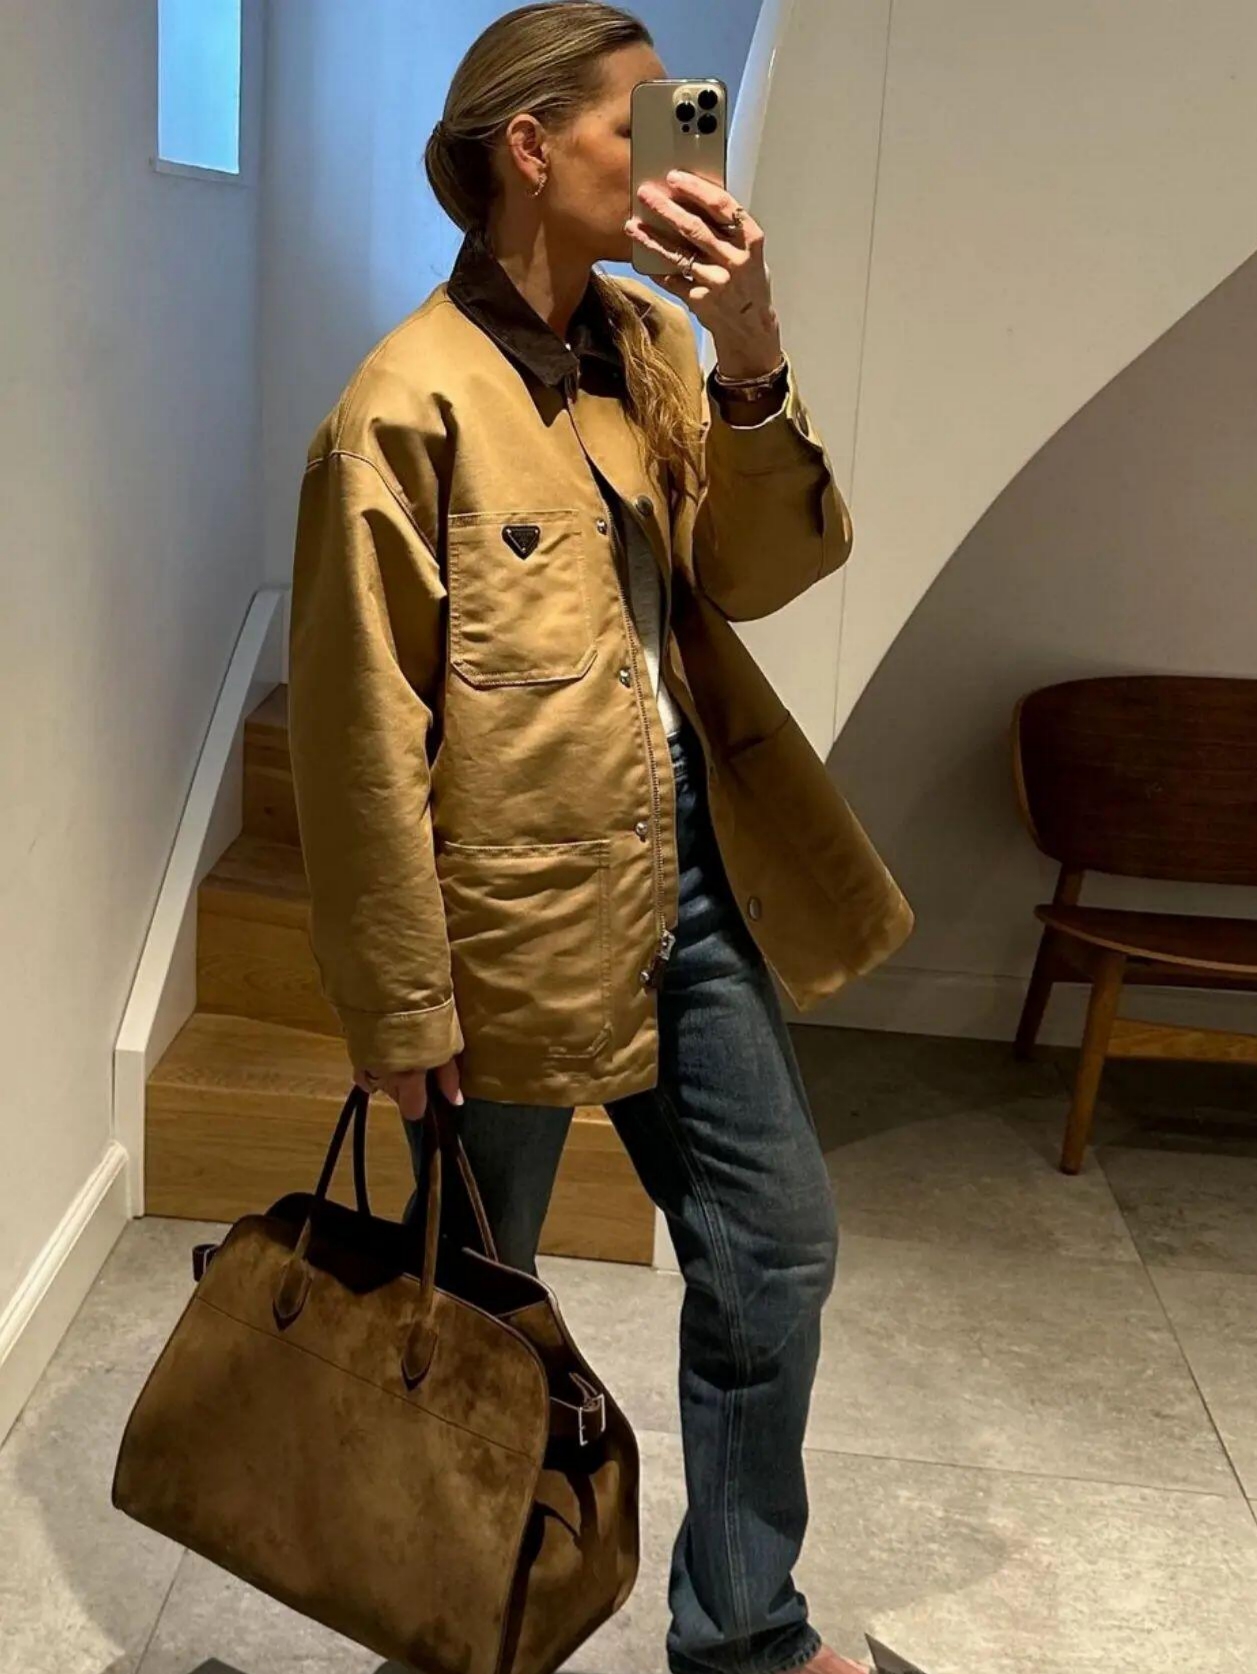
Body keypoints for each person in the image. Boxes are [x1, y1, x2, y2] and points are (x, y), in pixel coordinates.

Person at [287, 7, 917, 1674]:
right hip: (496, 929)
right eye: (637, 124)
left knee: (773, 1248)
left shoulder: (646, 348)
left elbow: (759, 574)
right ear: (527, 147)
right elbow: (356, 741)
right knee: (469, 1326)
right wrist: (397, 1002)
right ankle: (454, 1641)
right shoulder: (401, 404)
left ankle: (740, 1631)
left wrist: (748, 346)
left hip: (685, 882)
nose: (665, 155)